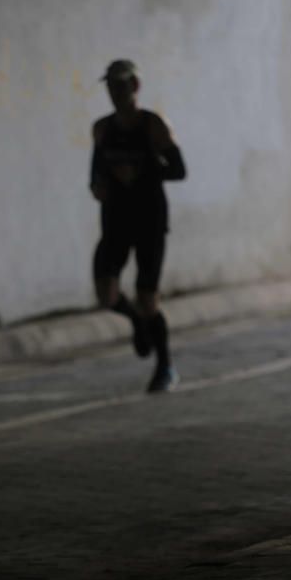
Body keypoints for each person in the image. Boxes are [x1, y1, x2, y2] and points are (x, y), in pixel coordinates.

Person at [89, 60, 187, 393]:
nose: (116, 93)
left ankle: (165, 366)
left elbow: (179, 169)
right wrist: (97, 187)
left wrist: (142, 172)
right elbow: (95, 173)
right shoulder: (102, 128)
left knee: (149, 298)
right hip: (116, 220)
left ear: (135, 87)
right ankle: (137, 323)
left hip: (149, 220)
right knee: (106, 292)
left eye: (122, 86)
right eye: (111, 87)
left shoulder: (153, 125)